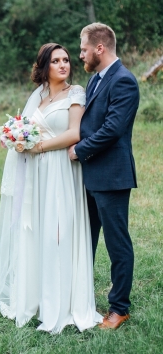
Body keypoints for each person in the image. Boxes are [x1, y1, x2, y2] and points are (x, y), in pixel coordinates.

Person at [0, 43, 102, 333]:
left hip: (61, 169)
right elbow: (27, 129)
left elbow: (74, 133)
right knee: (39, 230)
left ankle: (63, 303)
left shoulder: (75, 93)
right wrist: (16, 138)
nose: (64, 64)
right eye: (56, 61)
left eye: (66, 59)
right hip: (37, 173)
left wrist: (38, 147)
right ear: (44, 66)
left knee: (59, 230)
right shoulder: (39, 96)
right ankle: (39, 297)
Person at [69, 23, 139, 329]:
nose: (80, 55)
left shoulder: (124, 81)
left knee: (117, 243)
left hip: (112, 176)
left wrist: (78, 150)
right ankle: (81, 300)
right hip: (89, 176)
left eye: (83, 49)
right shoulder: (95, 79)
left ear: (100, 48)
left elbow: (112, 129)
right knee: (85, 239)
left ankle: (119, 308)